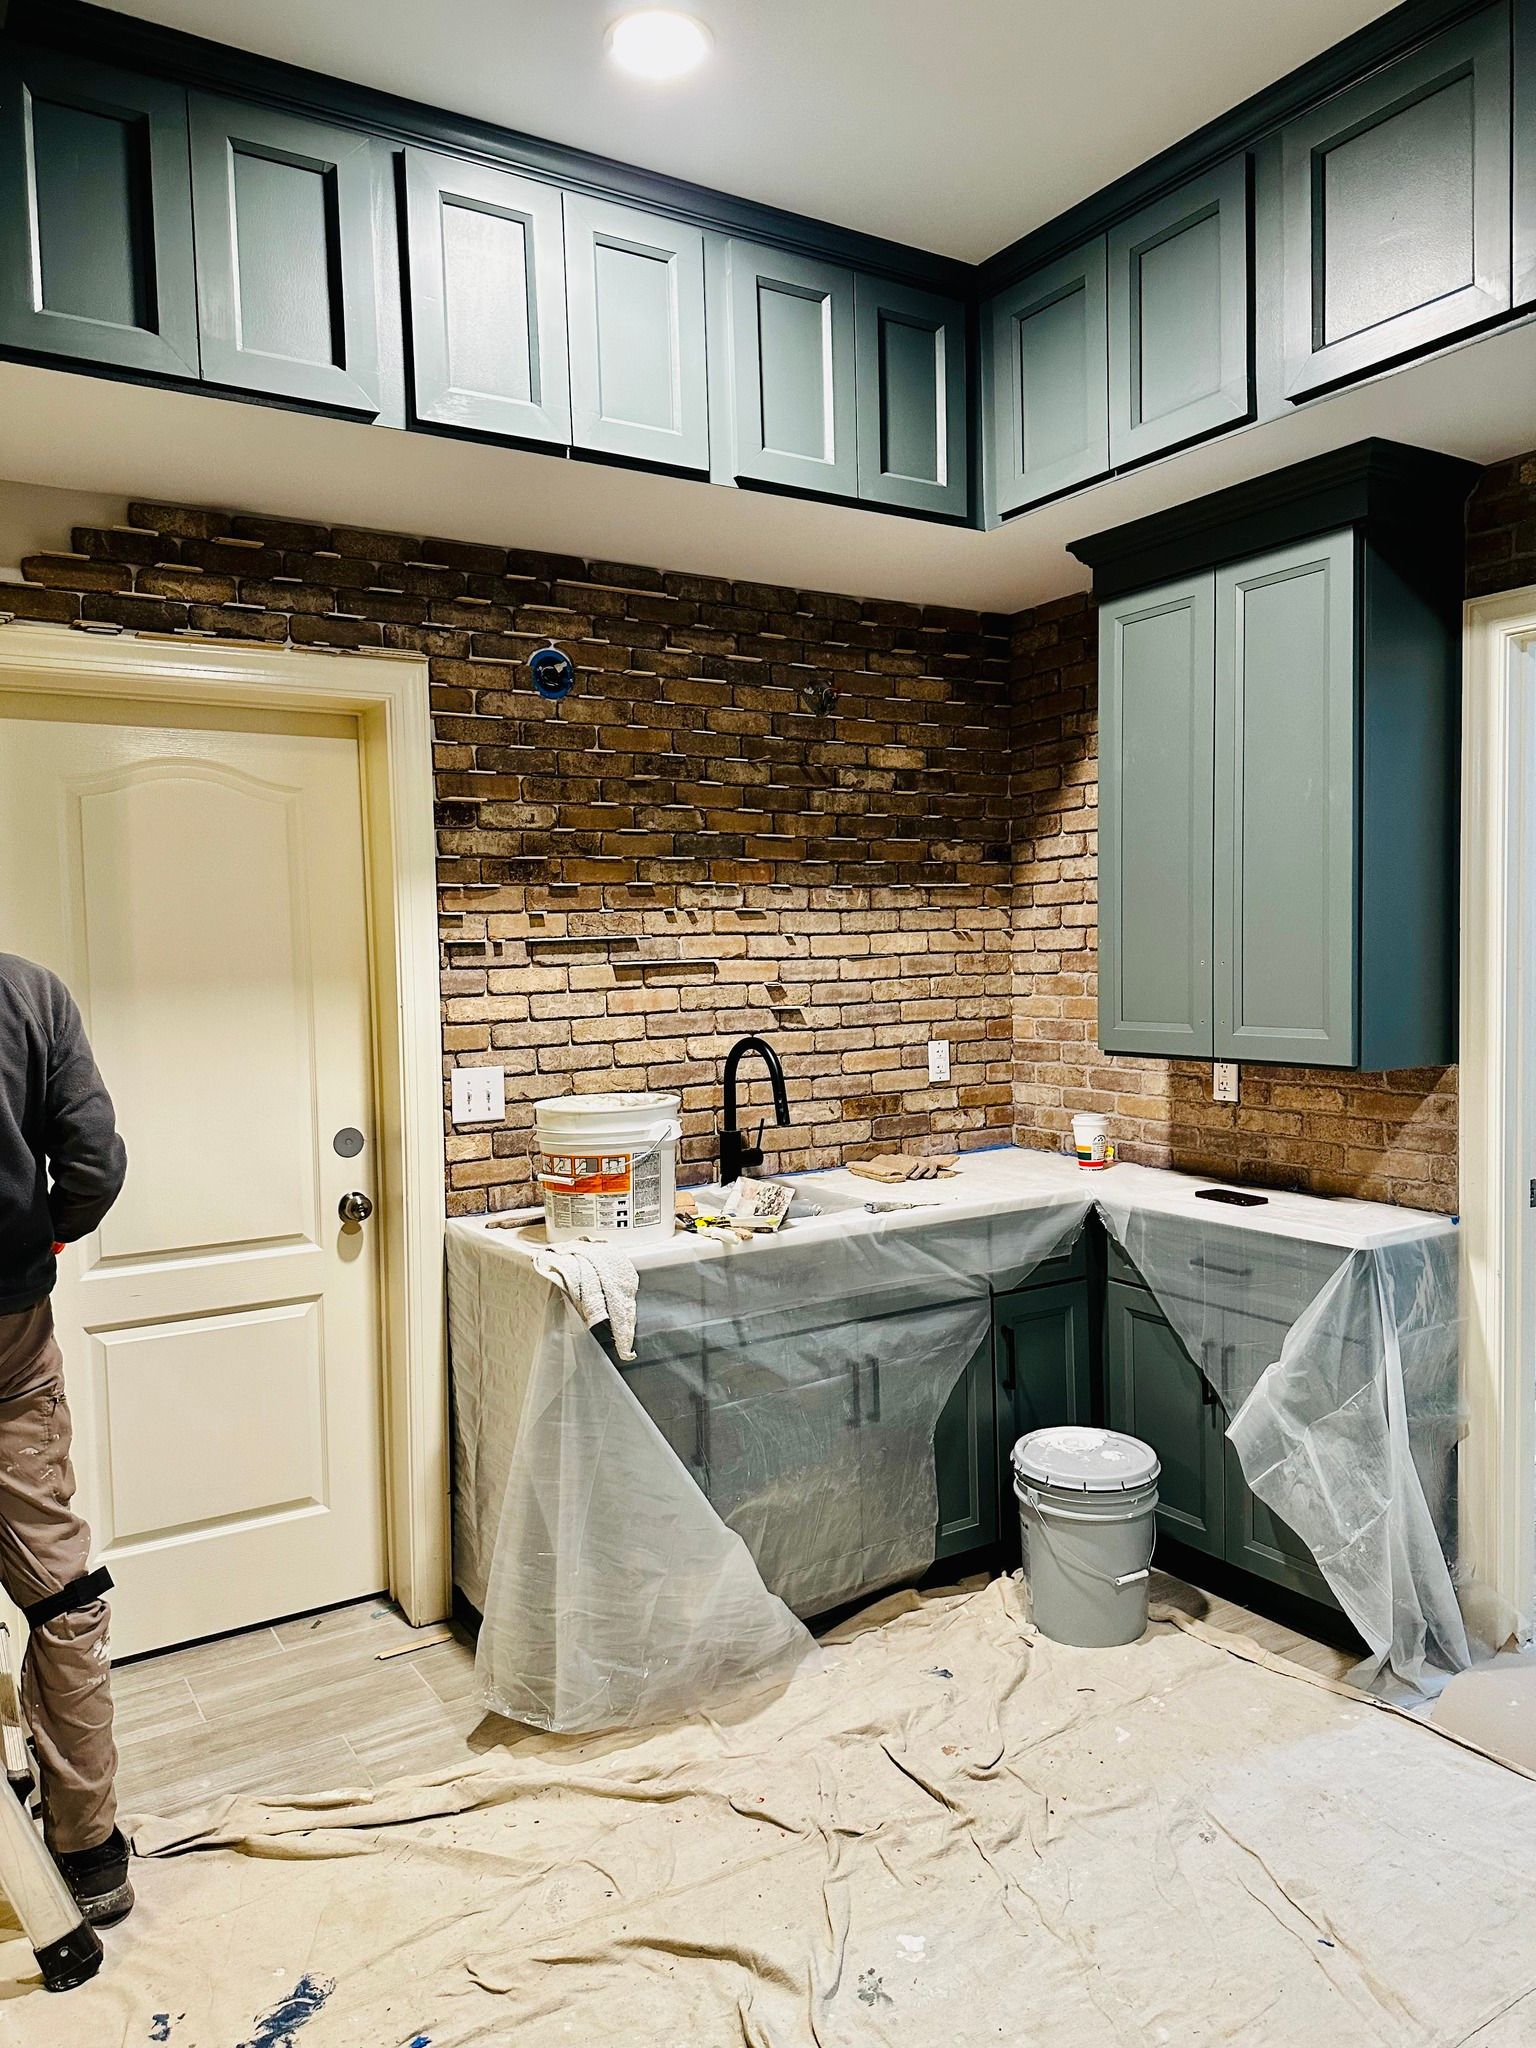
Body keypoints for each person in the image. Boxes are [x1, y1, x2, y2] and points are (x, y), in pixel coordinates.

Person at [0, 953, 130, 1927]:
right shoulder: (26, 990)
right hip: (7, 1331)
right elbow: (92, 1160)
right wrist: (42, 1240)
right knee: (60, 1582)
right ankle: (88, 1853)